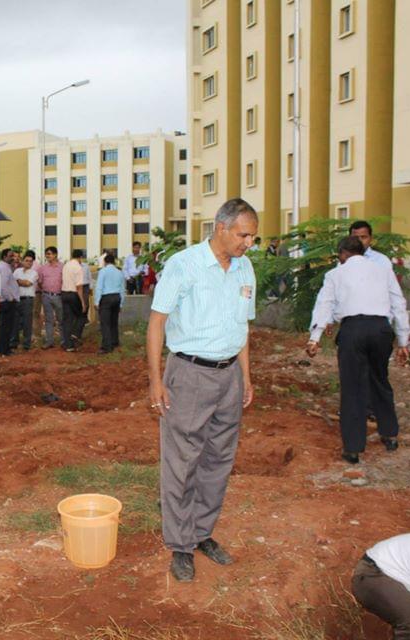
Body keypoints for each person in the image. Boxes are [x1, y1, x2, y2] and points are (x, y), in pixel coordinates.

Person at [147, 198, 258, 582]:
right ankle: (180, 545)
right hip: (190, 374)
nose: (249, 243)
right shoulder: (185, 264)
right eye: (244, 234)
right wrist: (155, 380)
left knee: (218, 460)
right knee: (182, 462)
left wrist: (245, 375)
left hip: (229, 376)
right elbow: (156, 324)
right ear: (222, 227)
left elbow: (242, 327)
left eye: (252, 237)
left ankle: (202, 533)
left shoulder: (245, 268)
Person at [305, 235, 410, 464]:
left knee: (353, 387)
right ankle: (390, 435)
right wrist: (403, 340)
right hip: (381, 329)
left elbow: (324, 304)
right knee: (380, 381)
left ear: (343, 253)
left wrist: (315, 337)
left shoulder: (335, 274)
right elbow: (398, 303)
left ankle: (353, 449)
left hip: (353, 330)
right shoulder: (383, 270)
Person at [95, 253, 126, 354]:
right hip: (116, 297)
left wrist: (96, 301)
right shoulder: (119, 272)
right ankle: (114, 341)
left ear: (105, 262)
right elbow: (122, 289)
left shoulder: (103, 271)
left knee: (105, 323)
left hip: (106, 298)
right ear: (114, 261)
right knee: (113, 321)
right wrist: (121, 303)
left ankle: (107, 346)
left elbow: (99, 287)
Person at [36, 246, 63, 349]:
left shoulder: (62, 267)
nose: (48, 256)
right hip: (46, 296)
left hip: (58, 296)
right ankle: (49, 341)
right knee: (48, 320)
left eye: (50, 254)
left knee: (61, 319)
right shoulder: (43, 268)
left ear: (55, 254)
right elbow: (39, 282)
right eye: (46, 254)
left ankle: (63, 340)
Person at [60, 249, 87, 352]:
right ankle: (75, 334)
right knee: (82, 315)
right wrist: (83, 302)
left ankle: (68, 345)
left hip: (64, 293)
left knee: (67, 319)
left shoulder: (66, 265)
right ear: (80, 257)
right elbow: (79, 287)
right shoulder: (78, 268)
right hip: (73, 294)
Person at [0, 248, 19, 357]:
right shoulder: (4, 268)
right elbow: (3, 286)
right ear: (4, 256)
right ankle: (4, 349)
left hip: (4, 301)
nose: (12, 258)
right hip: (6, 301)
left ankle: (3, 348)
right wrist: (11, 298)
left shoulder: (3, 267)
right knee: (6, 326)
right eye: (10, 256)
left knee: (4, 326)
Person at [14, 251, 39, 350]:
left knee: (27, 322)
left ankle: (26, 344)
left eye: (31, 261)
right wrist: (20, 282)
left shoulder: (34, 273)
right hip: (17, 299)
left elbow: (28, 283)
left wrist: (18, 281)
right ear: (23, 261)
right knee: (15, 322)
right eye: (27, 260)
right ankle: (14, 342)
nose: (29, 263)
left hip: (28, 300)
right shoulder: (17, 271)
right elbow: (13, 282)